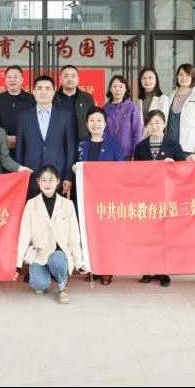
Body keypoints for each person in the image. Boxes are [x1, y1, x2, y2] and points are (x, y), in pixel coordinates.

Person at [14, 165, 88, 304]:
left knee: (56, 259)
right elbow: (24, 235)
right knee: (39, 285)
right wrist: (18, 265)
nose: (47, 184)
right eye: (44, 180)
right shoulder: (31, 204)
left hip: (59, 254)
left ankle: (62, 285)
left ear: (58, 181)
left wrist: (79, 262)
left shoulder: (68, 204)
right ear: (38, 182)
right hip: (39, 254)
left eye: (51, 180)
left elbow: (74, 237)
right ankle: (46, 274)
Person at [132, 109, 187, 287]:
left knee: (165, 234)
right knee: (148, 234)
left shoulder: (173, 144)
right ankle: (148, 269)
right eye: (150, 123)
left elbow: (184, 169)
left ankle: (164, 271)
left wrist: (173, 165)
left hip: (167, 196)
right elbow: (136, 173)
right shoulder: (140, 147)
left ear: (164, 124)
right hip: (148, 197)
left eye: (157, 122)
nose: (154, 126)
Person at [72, 106, 124, 286]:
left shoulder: (114, 143)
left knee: (106, 232)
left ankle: (106, 269)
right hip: (86, 195)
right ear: (87, 124)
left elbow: (120, 170)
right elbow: (74, 163)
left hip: (107, 196)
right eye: (92, 120)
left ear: (105, 123)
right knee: (87, 231)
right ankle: (90, 267)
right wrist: (74, 168)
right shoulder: (81, 143)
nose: (95, 124)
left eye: (99, 120)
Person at [15, 75, 76, 199]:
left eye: (48, 88)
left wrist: (68, 176)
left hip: (57, 175)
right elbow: (19, 149)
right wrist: (20, 176)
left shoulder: (65, 116)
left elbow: (70, 148)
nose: (44, 92)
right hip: (31, 175)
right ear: (33, 92)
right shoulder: (23, 117)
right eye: (40, 88)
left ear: (54, 91)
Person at [166, 64, 195, 160]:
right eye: (181, 74)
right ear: (177, 77)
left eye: (187, 75)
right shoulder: (170, 96)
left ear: (192, 77)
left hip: (189, 148)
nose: (184, 78)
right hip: (170, 148)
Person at [0, 65, 36, 156]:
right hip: (2, 148)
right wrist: (5, 137)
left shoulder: (31, 100)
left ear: (22, 80)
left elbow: (35, 122)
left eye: (16, 77)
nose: (12, 80)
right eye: (9, 77)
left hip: (26, 147)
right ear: (5, 80)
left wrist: (19, 138)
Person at [53, 65, 96, 141]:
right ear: (60, 79)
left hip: (81, 142)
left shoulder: (87, 98)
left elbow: (93, 121)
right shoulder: (53, 98)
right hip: (58, 142)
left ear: (78, 79)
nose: (70, 79)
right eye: (66, 76)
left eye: (73, 76)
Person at [104, 74, 143, 158]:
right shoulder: (104, 109)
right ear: (110, 89)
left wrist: (136, 154)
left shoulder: (132, 108)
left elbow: (137, 132)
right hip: (108, 154)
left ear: (126, 89)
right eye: (114, 86)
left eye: (121, 87)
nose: (117, 89)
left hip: (127, 155)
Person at [135, 66, 170, 139]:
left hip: (156, 137)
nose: (147, 81)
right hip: (140, 139)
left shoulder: (163, 99)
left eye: (150, 77)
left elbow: (163, 121)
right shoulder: (138, 101)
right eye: (144, 78)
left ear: (156, 80)